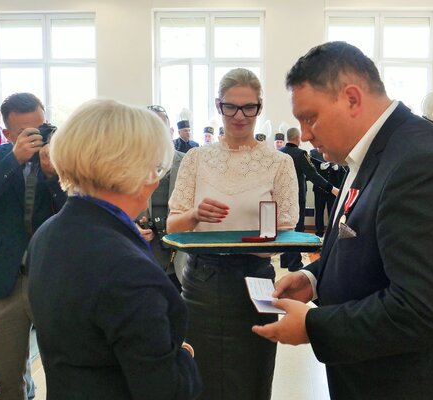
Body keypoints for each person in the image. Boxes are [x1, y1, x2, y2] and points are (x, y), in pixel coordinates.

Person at [252, 41, 433, 400]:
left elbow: (422, 309)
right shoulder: (378, 151)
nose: (307, 134)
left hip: (422, 383)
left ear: (352, 99)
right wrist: (314, 279)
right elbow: (363, 241)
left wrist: (314, 326)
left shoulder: (421, 164)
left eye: (310, 118)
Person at [26, 99, 202, 399]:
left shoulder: (48, 233)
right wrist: (182, 355)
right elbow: (166, 390)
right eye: (156, 167)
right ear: (138, 171)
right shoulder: (127, 267)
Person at [166, 68, 298, 400]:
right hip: (202, 284)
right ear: (218, 106)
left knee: (252, 380)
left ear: (259, 107)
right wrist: (195, 215)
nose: (239, 116)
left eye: (248, 107)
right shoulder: (196, 159)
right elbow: (172, 226)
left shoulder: (279, 164)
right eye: (231, 107)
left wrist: (265, 239)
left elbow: (286, 231)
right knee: (201, 380)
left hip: (256, 284)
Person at [0, 92, 67, 400]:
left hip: (53, 277)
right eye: (27, 131)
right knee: (9, 378)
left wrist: (53, 177)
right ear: (8, 133)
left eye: (42, 126)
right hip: (4, 280)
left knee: (65, 369)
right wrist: (14, 159)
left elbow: (76, 211)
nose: (38, 135)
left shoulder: (63, 157)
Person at [137, 104, 186, 290]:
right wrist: (131, 226)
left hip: (181, 259)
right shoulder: (127, 166)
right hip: (143, 258)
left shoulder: (188, 163)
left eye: (160, 127)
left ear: (171, 131)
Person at [280, 127, 338, 271]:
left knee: (284, 228)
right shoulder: (301, 154)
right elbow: (313, 175)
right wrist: (332, 188)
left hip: (281, 197)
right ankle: (294, 263)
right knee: (297, 228)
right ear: (298, 138)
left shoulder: (279, 153)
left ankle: (285, 261)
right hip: (296, 197)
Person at [309, 147, 345, 237]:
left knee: (332, 211)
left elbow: (345, 168)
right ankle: (319, 233)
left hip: (334, 188)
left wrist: (338, 168)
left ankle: (331, 234)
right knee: (319, 212)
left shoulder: (337, 150)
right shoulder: (313, 152)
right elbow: (310, 171)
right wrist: (318, 168)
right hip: (319, 189)